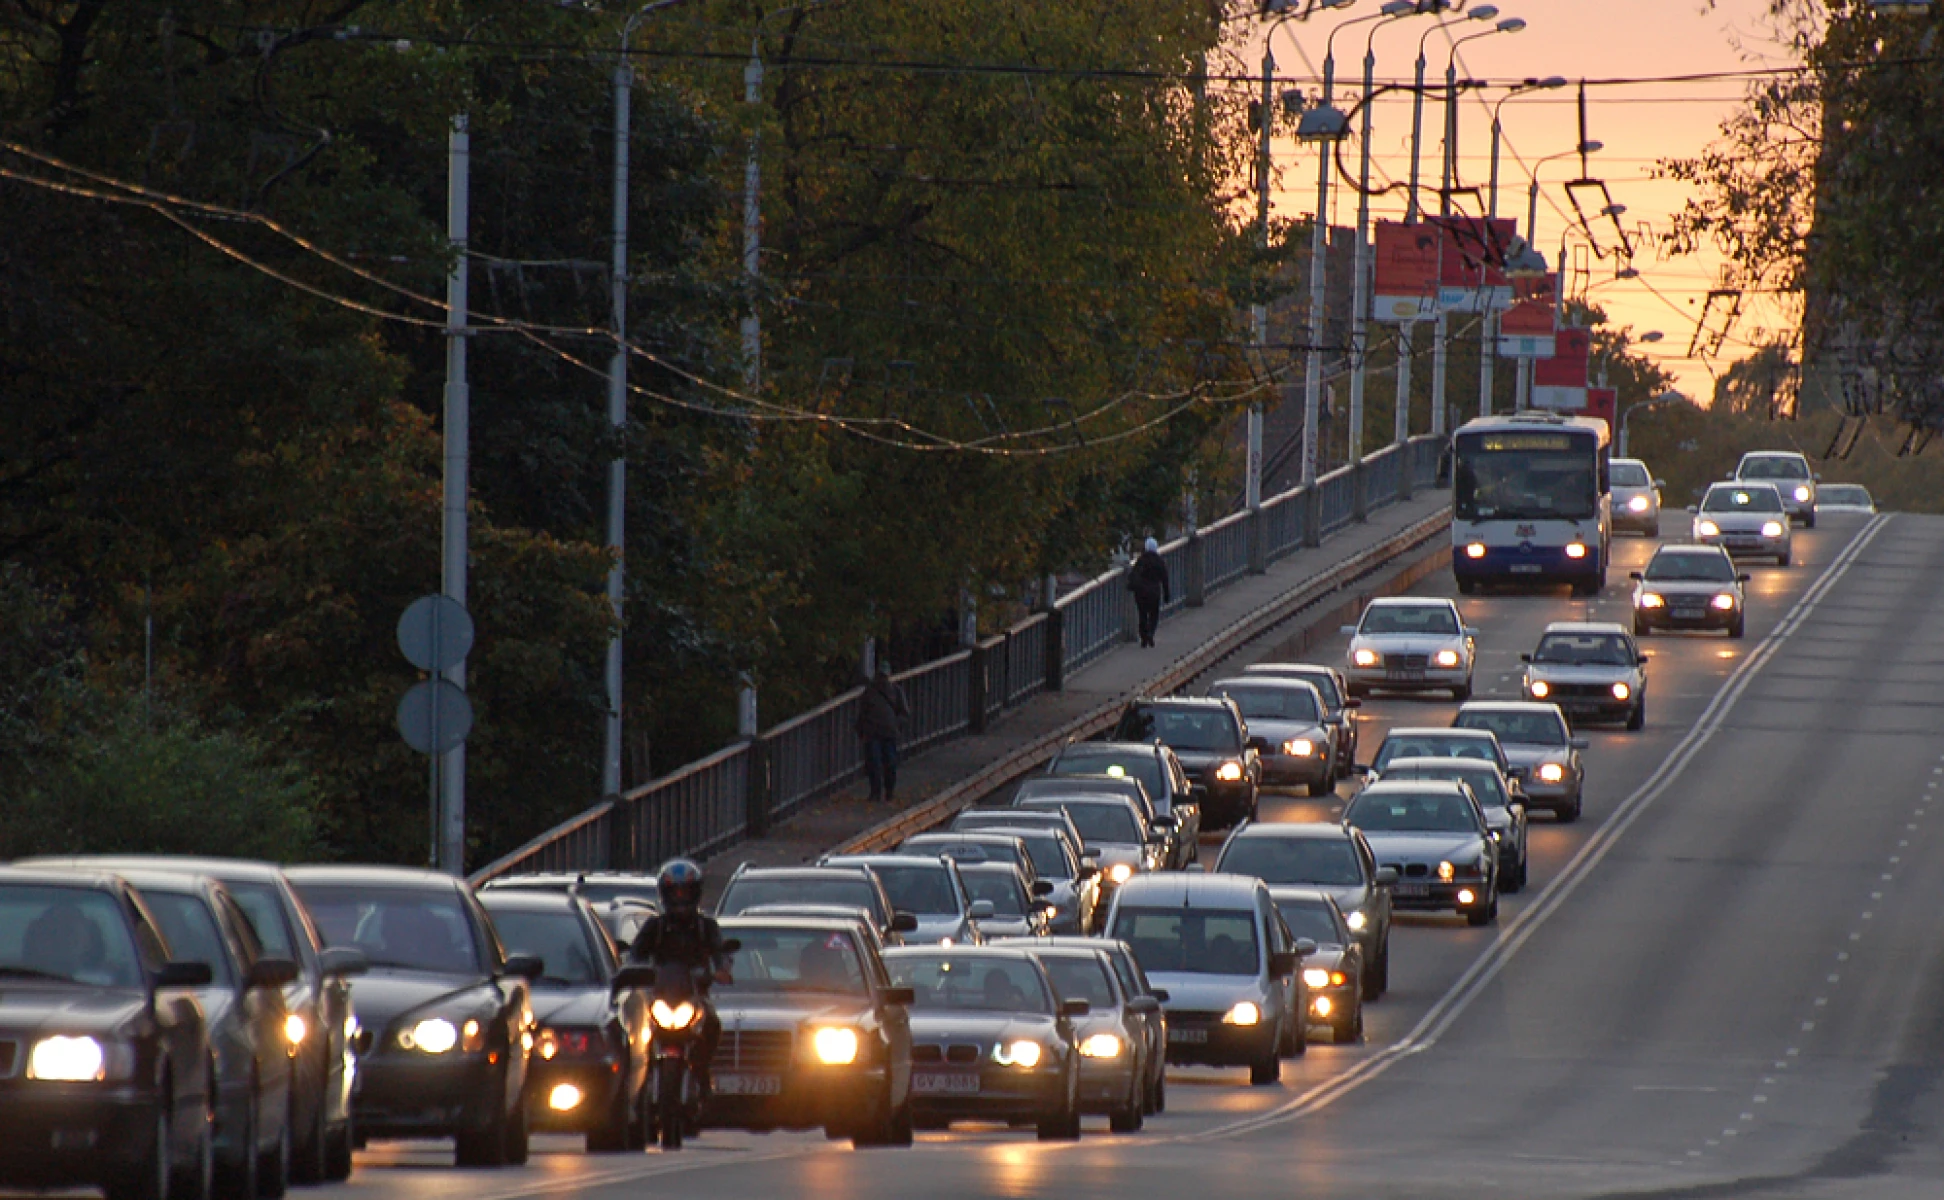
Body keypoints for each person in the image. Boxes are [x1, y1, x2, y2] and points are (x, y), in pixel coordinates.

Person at [628, 859, 732, 1093]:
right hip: (660, 996)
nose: (680, 899)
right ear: (665, 895)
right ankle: (639, 1083)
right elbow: (635, 954)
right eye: (675, 893)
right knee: (636, 1031)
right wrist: (631, 971)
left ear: (695, 894)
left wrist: (721, 969)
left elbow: (719, 951)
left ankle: (702, 1072)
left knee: (713, 1025)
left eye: (685, 893)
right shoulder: (655, 927)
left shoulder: (706, 927)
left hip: (694, 996)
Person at [856, 662, 909, 803]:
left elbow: (904, 713)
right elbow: (863, 713)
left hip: (888, 733)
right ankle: (876, 792)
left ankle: (888, 791)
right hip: (874, 733)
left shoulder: (895, 691)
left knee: (889, 764)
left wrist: (895, 724)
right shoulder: (870, 693)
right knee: (875, 763)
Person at [1128, 536, 1171, 648]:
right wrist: (1167, 594)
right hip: (1154, 591)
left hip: (1141, 592)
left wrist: (1131, 585)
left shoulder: (1141, 560)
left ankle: (1143, 636)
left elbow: (1134, 574)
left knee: (1142, 614)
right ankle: (1151, 632)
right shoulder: (1160, 562)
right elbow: (1165, 579)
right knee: (1154, 614)